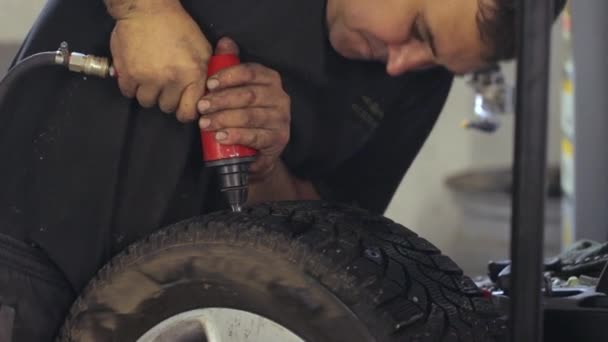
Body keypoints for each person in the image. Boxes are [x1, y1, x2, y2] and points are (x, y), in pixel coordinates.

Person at [0, 0, 564, 340]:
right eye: (420, 31)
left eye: (439, 63)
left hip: (173, 306)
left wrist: (268, 160)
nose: (404, 63)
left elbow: (323, 239)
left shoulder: (416, 85)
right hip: (26, 256)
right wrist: (144, 10)